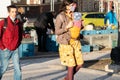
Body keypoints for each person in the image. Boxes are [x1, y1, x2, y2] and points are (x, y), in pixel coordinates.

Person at [55, 0, 84, 80]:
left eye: (74, 5)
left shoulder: (76, 15)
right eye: (72, 5)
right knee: (71, 65)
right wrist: (67, 27)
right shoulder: (60, 16)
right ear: (66, 6)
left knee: (80, 63)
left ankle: (67, 78)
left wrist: (80, 25)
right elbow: (57, 31)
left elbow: (77, 29)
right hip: (66, 43)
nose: (74, 6)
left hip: (75, 42)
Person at [0, 5, 23, 80]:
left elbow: (20, 34)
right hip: (5, 50)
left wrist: (18, 44)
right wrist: (2, 47)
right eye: (12, 12)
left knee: (18, 70)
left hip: (15, 49)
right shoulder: (3, 23)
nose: (14, 13)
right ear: (8, 12)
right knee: (3, 68)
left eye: (15, 11)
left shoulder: (18, 23)